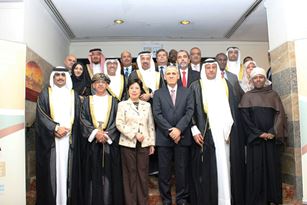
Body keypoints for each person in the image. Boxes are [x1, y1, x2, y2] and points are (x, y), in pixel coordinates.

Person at [189, 59, 245, 205]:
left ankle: (226, 199)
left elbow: (232, 108)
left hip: (225, 133)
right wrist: (194, 128)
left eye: (214, 67)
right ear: (204, 70)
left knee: (225, 165)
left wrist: (230, 131)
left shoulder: (225, 84)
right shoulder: (196, 86)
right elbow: (190, 110)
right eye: (208, 68)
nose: (211, 70)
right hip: (206, 132)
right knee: (209, 168)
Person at [239, 67, 285, 205]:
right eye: (255, 78)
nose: (258, 80)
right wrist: (259, 133)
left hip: (271, 139)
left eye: (261, 77)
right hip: (256, 140)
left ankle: (273, 198)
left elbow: (280, 115)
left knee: (272, 168)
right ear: (252, 80)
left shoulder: (273, 95)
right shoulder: (247, 96)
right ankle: (257, 200)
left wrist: (272, 131)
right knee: (256, 170)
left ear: (265, 79)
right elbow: (245, 120)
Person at [36, 66, 82, 205]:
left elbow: (79, 115)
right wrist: (55, 128)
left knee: (68, 170)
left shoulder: (73, 94)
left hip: (69, 139)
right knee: (53, 171)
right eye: (57, 75)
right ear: (53, 77)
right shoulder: (45, 93)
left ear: (66, 77)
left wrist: (68, 130)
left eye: (63, 75)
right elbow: (41, 114)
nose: (60, 77)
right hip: (53, 140)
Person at [153, 66, 194, 205]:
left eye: (173, 73)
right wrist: (171, 130)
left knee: (182, 170)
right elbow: (157, 114)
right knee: (164, 172)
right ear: (164, 77)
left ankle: (182, 199)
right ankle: (166, 199)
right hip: (164, 138)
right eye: (168, 73)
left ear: (178, 76)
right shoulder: (158, 93)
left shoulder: (188, 92)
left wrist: (179, 129)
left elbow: (189, 112)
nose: (171, 75)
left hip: (182, 137)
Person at [80, 73, 123, 205]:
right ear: (93, 85)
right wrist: (95, 133)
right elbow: (82, 118)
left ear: (107, 85)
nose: (100, 84)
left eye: (103, 82)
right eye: (97, 82)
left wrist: (106, 134)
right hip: (92, 142)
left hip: (110, 142)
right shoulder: (87, 100)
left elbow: (118, 120)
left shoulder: (114, 101)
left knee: (109, 173)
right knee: (92, 173)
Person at [116, 79, 155, 205]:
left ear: (140, 91)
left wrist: (151, 143)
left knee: (143, 175)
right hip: (128, 143)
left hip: (144, 144)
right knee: (130, 175)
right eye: (132, 88)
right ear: (128, 90)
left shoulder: (147, 105)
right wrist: (134, 134)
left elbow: (151, 125)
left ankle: (142, 202)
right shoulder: (122, 105)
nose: (134, 90)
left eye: (137, 88)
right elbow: (119, 124)